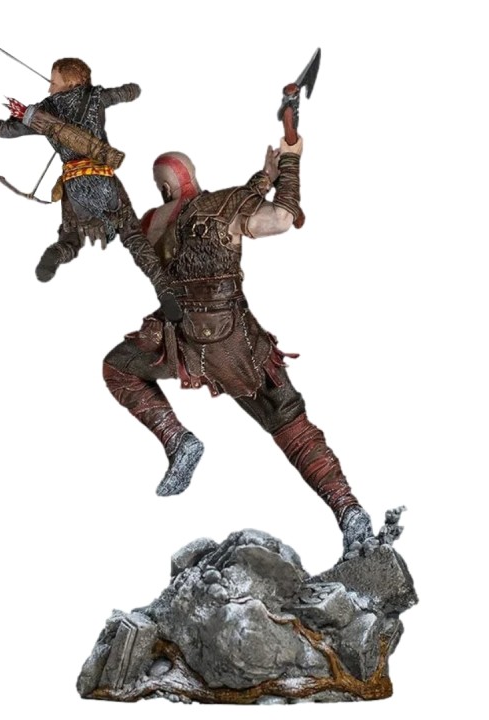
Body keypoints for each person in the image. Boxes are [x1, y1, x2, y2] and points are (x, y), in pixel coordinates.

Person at [101, 137, 375, 553]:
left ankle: (177, 440)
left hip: (179, 339)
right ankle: (349, 512)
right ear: (192, 177)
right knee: (290, 423)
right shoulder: (222, 203)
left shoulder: (152, 222)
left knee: (119, 366)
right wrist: (290, 163)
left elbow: (184, 222)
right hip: (235, 344)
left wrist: (263, 178)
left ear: (165, 187)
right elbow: (281, 218)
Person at [0, 58, 142, 282]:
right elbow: (129, 92)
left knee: (70, 237)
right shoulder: (97, 97)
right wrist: (132, 90)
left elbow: (8, 129)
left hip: (74, 180)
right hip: (104, 175)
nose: (49, 88)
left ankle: (57, 253)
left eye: (54, 82)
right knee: (133, 232)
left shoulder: (46, 111)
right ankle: (160, 282)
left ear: (70, 82)